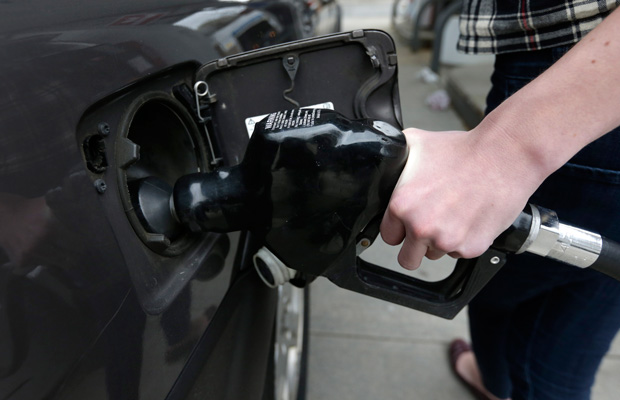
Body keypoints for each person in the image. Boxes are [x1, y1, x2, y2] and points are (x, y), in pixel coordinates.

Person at [380, 2, 620, 399]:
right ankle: (497, 383)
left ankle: (495, 384)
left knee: (493, 287)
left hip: (575, 73)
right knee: (579, 322)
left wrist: (510, 150)